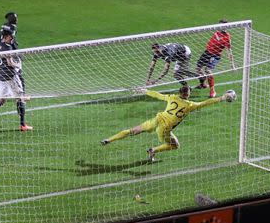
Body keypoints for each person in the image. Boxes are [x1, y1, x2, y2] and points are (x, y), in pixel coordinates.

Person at [101, 86, 234, 162]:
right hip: (164, 128)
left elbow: (158, 95)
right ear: (187, 94)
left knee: (133, 131)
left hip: (156, 119)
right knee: (175, 145)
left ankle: (109, 139)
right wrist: (221, 98)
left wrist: (145, 91)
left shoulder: (171, 97)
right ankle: (153, 150)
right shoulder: (190, 105)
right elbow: (205, 103)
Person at [0, 29, 33, 132]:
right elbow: (10, 63)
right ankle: (23, 125)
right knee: (20, 98)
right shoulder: (7, 47)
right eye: (10, 36)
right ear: (5, 36)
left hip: (1, 76)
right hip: (11, 76)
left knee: (2, 100)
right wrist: (18, 65)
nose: (12, 38)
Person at [196, 20, 236, 98]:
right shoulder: (217, 32)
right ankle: (203, 84)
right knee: (198, 69)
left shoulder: (227, 37)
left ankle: (212, 90)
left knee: (208, 70)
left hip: (215, 55)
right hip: (207, 52)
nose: (219, 27)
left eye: (222, 26)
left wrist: (232, 65)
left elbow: (229, 51)